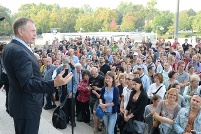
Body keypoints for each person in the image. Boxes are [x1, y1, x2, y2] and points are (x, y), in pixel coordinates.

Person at [2, 18, 73, 134]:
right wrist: (54, 83)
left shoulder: (10, 47)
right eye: (33, 31)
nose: (35, 34)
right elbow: (27, 84)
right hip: (27, 107)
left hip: (21, 105)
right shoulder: (19, 51)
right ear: (20, 31)